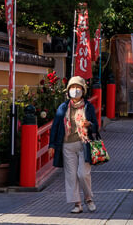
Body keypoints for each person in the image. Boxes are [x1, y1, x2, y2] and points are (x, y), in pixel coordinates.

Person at [49, 75, 100, 214]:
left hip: (84, 143)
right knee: (71, 176)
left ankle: (89, 199)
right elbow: (56, 126)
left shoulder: (88, 107)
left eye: (78, 87)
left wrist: (89, 124)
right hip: (67, 145)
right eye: (72, 87)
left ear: (83, 90)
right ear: (68, 90)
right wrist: (52, 145)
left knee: (83, 174)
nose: (75, 90)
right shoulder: (63, 107)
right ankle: (77, 204)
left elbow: (96, 126)